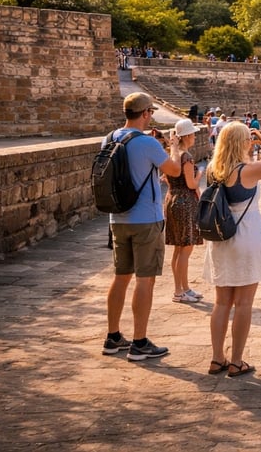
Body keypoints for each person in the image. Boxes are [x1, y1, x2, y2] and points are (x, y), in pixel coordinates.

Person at [202, 122, 261, 377]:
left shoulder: (212, 170)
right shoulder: (249, 170)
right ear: (242, 142)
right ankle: (237, 360)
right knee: (243, 303)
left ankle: (217, 358)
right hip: (246, 236)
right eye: (248, 139)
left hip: (220, 239)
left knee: (221, 303)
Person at [103, 92, 183, 361]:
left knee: (120, 276)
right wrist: (172, 146)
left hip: (118, 217)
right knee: (144, 279)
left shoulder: (110, 138)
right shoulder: (148, 143)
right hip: (145, 218)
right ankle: (139, 342)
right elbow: (173, 170)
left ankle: (113, 337)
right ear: (146, 114)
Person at [164, 118, 204, 304]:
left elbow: (167, 178)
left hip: (172, 199)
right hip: (185, 202)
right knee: (185, 249)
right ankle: (180, 291)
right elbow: (191, 184)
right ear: (187, 136)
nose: (195, 136)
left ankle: (182, 288)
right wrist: (200, 174)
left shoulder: (173, 155)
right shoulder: (186, 157)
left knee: (178, 249)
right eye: (193, 134)